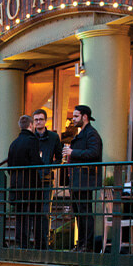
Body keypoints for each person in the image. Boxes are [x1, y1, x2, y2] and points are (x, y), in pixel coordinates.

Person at [62, 105, 103, 251]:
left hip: (84, 179)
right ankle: (82, 243)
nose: (73, 119)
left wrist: (73, 152)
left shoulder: (91, 133)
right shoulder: (84, 133)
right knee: (79, 213)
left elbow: (94, 153)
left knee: (84, 212)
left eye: (76, 116)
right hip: (78, 179)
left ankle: (87, 244)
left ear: (84, 117)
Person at [7, 114, 44, 249]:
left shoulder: (14, 143)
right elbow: (36, 162)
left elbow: (10, 166)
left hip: (16, 184)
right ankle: (36, 243)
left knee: (20, 214)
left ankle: (21, 242)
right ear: (30, 125)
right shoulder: (32, 141)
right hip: (30, 184)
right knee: (34, 214)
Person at [31, 109, 63, 249]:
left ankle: (43, 243)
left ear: (45, 121)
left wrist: (50, 167)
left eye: (41, 119)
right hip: (32, 180)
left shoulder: (53, 137)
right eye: (36, 119)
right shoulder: (31, 138)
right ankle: (36, 242)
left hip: (46, 178)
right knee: (34, 212)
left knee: (45, 212)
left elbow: (60, 158)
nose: (38, 122)